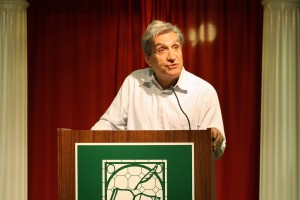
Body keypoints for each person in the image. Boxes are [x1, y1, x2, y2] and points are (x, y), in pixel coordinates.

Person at [92, 20, 226, 159]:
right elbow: (110, 124)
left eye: (175, 47)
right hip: (138, 172)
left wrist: (215, 138)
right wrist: (86, 142)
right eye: (162, 50)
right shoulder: (134, 82)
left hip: (183, 174)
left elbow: (215, 148)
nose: (172, 57)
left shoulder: (204, 92)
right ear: (148, 59)